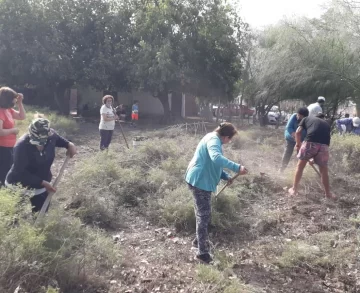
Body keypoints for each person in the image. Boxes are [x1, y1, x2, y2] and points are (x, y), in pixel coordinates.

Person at [185, 122, 248, 264]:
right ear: (226, 137)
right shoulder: (214, 140)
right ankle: (202, 253)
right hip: (199, 181)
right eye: (229, 139)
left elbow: (212, 163)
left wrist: (225, 176)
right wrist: (237, 167)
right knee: (203, 215)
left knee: (203, 214)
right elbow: (216, 158)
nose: (229, 142)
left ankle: (198, 240)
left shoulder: (212, 137)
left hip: (199, 178)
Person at [5, 115, 77, 213]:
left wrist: (69, 144)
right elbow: (20, 172)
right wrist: (42, 182)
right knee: (13, 218)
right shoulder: (21, 147)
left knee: (41, 215)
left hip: (40, 187)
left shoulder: (51, 136)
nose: (40, 144)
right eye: (37, 142)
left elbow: (59, 140)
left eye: (43, 141)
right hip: (18, 186)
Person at [288, 113, 336, 199]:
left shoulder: (306, 118)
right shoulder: (326, 124)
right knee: (323, 171)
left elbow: (298, 132)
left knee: (300, 166)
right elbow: (324, 142)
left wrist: (298, 144)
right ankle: (328, 194)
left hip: (310, 143)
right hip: (324, 146)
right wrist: (314, 159)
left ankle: (294, 190)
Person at [0, 87, 26, 185]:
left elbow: (22, 116)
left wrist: (20, 103)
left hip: (10, 146)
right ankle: (4, 192)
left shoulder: (8, 110)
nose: (14, 100)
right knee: (5, 172)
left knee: (9, 169)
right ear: (6, 99)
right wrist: (13, 130)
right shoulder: (0, 112)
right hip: (2, 147)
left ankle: (6, 190)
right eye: (13, 98)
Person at [280, 107, 309, 172]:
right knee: (288, 152)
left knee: (300, 155)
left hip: (301, 140)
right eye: (298, 115)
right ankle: (282, 169)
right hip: (290, 138)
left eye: (300, 116)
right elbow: (289, 127)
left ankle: (297, 170)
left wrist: (301, 142)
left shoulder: (307, 120)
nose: (298, 117)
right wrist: (295, 136)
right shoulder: (294, 116)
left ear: (305, 117)